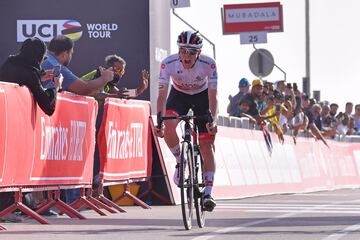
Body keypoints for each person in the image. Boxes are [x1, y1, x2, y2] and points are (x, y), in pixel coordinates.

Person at [156, 30, 218, 211]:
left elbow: (213, 97)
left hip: (202, 97)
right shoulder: (168, 63)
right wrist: (159, 123)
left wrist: (212, 120)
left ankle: (208, 192)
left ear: (199, 53)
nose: (186, 55)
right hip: (179, 96)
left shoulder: (209, 64)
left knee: (206, 144)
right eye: (183, 50)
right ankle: (180, 161)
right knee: (169, 126)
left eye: (191, 52)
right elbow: (161, 97)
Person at [0, 37, 60, 222]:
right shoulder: (30, 72)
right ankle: (5, 209)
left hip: (4, 123)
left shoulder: (9, 63)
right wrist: (55, 88)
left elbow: (22, 78)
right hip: (15, 129)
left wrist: (40, 78)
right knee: (10, 167)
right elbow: (48, 107)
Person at [41, 35, 114, 95]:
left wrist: (94, 81)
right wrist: (105, 78)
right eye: (71, 53)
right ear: (64, 54)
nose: (71, 56)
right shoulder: (57, 68)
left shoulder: (41, 56)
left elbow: (78, 84)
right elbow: (84, 89)